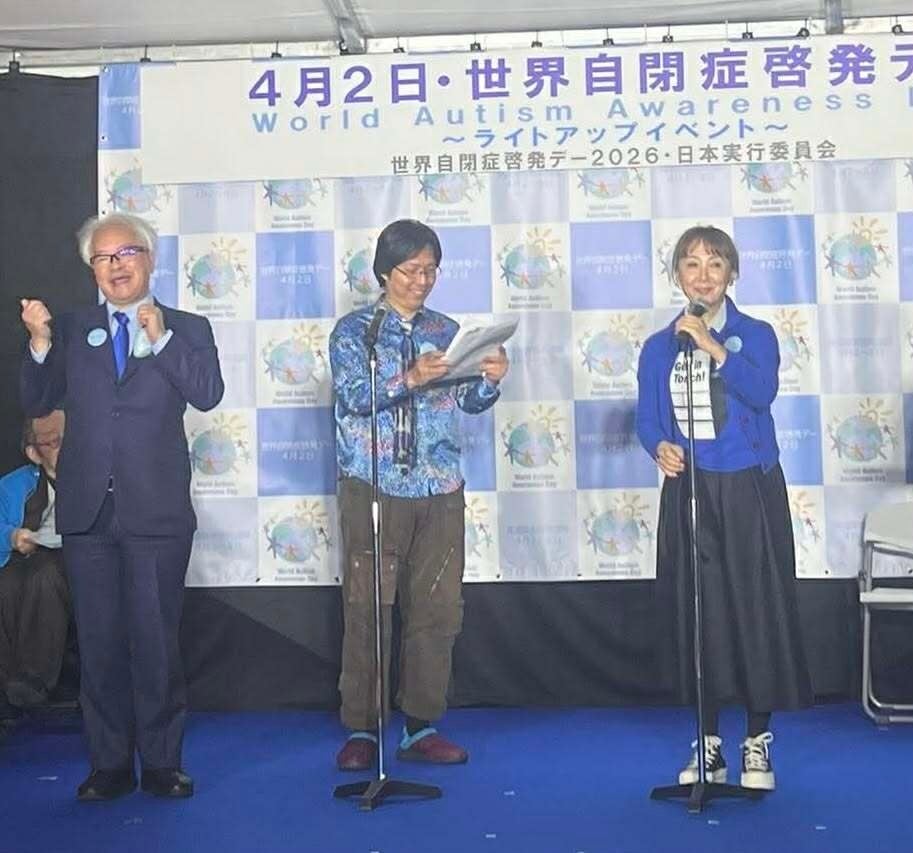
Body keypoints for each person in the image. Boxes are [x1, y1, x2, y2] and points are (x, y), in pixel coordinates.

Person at [20, 212, 224, 801]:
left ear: (149, 259)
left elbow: (207, 393)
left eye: (126, 253)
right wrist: (39, 344)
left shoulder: (186, 327)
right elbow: (36, 399)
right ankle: (108, 764)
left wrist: (161, 341)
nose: (115, 266)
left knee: (156, 642)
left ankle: (161, 762)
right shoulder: (72, 328)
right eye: (103, 258)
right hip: (88, 511)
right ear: (92, 269)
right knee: (100, 643)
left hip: (156, 511)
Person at [636, 225, 812, 792]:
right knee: (699, 612)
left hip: (748, 487)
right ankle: (707, 739)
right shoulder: (659, 346)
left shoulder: (754, 334)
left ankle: (757, 738)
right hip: (690, 488)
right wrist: (657, 446)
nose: (703, 276)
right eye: (691, 265)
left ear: (731, 274)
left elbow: (761, 393)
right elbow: (647, 417)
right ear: (677, 276)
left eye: (715, 265)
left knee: (757, 609)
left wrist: (714, 349)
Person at [329, 219, 509, 771]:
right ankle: (363, 727)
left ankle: (420, 725)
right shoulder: (355, 332)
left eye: (431, 270)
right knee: (368, 609)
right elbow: (352, 397)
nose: (422, 280)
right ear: (384, 272)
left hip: (440, 484)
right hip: (373, 484)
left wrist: (490, 379)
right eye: (410, 270)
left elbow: (469, 403)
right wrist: (408, 378)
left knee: (437, 609)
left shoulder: (447, 330)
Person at [0, 411, 72, 721]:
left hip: (77, 565)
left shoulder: (96, 479)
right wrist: (12, 536)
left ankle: (33, 679)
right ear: (33, 453)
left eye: (68, 438)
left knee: (45, 573)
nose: (65, 448)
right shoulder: (14, 485)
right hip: (23, 559)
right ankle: (6, 688)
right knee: (7, 583)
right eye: (54, 442)